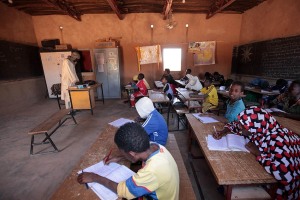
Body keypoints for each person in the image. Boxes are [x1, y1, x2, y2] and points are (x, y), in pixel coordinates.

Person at [213, 107, 300, 199]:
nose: (240, 127)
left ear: (254, 126)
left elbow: (283, 174)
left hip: (284, 189)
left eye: (243, 126)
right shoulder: (261, 127)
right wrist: (223, 132)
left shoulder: (279, 141)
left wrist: (259, 154)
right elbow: (235, 125)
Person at [77, 122, 179, 200]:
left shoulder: (151, 171)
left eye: (123, 152)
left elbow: (122, 190)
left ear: (132, 153)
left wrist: (94, 177)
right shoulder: (155, 146)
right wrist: (120, 157)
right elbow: (137, 155)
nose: (121, 153)